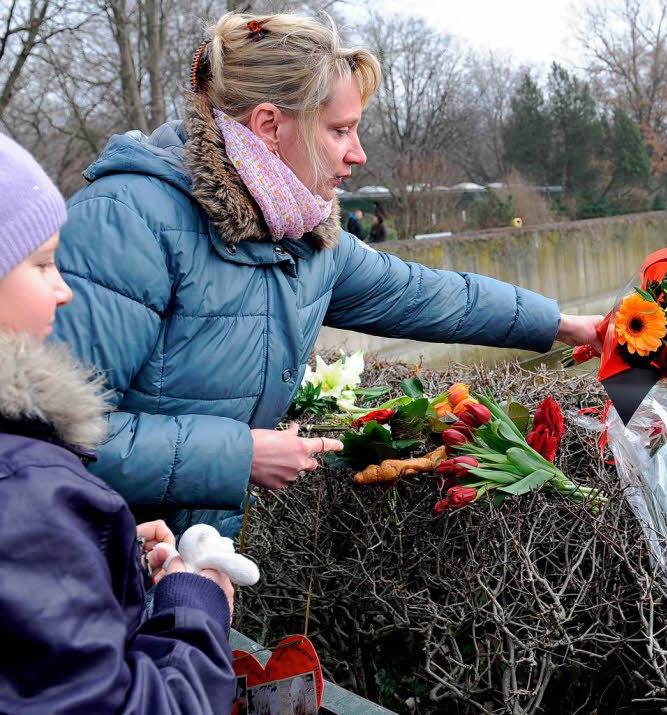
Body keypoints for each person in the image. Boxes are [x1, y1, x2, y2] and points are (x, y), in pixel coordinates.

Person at [53, 12, 603, 538]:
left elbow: (427, 295)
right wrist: (239, 455)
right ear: (269, 125)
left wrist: (563, 324)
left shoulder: (302, 232)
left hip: (186, 564)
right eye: (340, 130)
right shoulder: (125, 221)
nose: (358, 154)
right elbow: (53, 441)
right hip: (87, 571)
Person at [0, 134, 235, 713]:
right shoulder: (24, 490)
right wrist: (195, 609)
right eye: (43, 263)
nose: (63, 290)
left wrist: (99, 560)